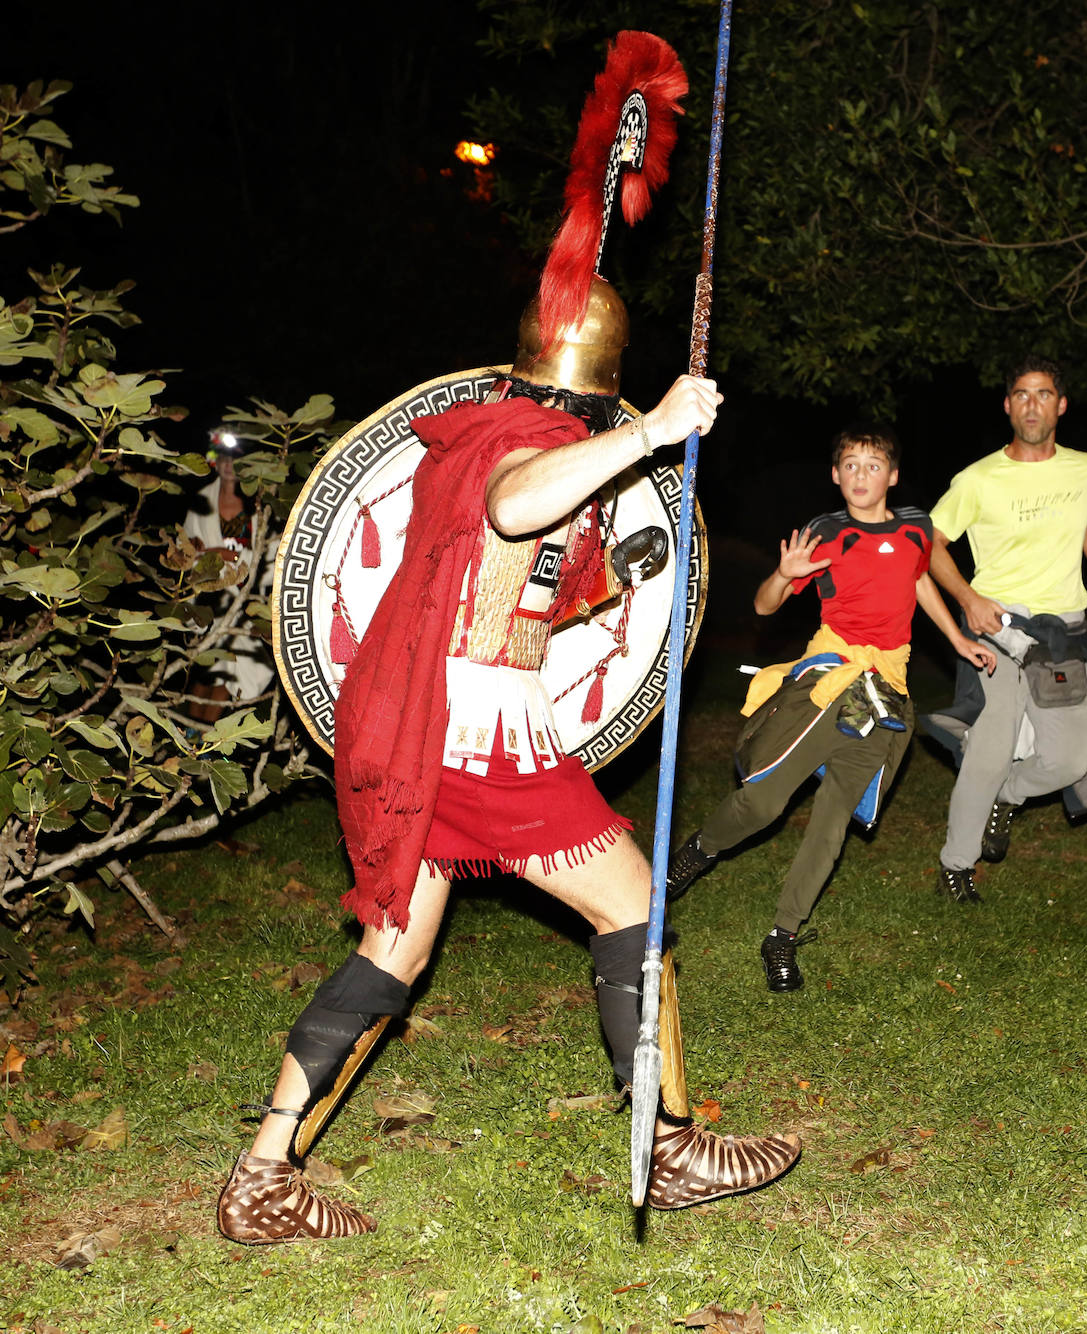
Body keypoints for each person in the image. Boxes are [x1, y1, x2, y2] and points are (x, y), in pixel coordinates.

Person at [216, 32, 799, 1245]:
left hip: (434, 718)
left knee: (396, 945)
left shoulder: (499, 424)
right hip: (478, 732)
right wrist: (655, 433)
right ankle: (673, 1143)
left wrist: (613, 583)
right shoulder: (511, 444)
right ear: (594, 387)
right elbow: (513, 506)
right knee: (631, 897)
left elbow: (513, 574)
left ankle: (262, 1172)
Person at [664, 425, 995, 992]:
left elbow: (918, 583)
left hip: (885, 689)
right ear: (835, 475)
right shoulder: (824, 533)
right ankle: (698, 851)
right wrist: (784, 575)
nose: (861, 475)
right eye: (850, 464)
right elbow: (764, 606)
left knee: (833, 823)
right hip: (829, 678)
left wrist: (959, 639)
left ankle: (783, 937)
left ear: (892, 475)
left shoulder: (916, 528)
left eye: (873, 465)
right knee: (763, 803)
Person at [920, 355, 1087, 904]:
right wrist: (968, 598)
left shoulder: (1086, 469)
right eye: (1021, 394)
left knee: (1070, 760)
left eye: (1044, 394)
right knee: (990, 745)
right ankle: (956, 866)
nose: (1032, 404)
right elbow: (930, 546)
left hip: (1064, 631)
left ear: (1061, 405)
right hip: (1000, 626)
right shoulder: (977, 478)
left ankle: (1004, 796)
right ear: (1008, 404)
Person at [182, 429, 277, 721]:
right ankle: (188, 740)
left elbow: (273, 558)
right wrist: (199, 556)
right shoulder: (201, 502)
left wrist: (230, 556)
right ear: (216, 461)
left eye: (236, 459)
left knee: (230, 676)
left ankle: (207, 750)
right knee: (204, 673)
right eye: (224, 458)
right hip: (210, 600)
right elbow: (185, 551)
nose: (229, 465)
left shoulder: (262, 506)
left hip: (247, 600)